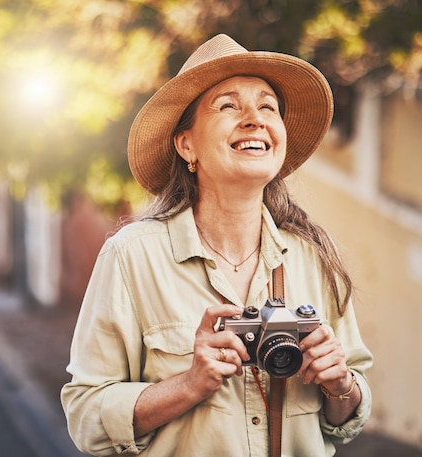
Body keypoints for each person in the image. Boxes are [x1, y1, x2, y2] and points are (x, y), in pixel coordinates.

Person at [60, 34, 372, 457]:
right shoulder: (132, 257)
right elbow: (85, 418)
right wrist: (188, 385)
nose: (254, 119)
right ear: (186, 143)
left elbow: (343, 424)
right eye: (228, 106)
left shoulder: (313, 257)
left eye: (268, 107)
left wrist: (341, 385)